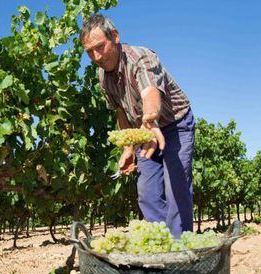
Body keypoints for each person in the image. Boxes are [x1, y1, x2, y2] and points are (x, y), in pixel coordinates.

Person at [80, 13, 195, 238]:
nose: (96, 56)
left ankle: (180, 255)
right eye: (89, 52)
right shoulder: (103, 77)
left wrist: (150, 118)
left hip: (175, 125)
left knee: (176, 190)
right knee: (147, 193)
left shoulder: (141, 58)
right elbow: (121, 111)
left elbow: (150, 92)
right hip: (144, 133)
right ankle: (161, 244)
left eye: (100, 47)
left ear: (115, 36)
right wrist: (128, 148)